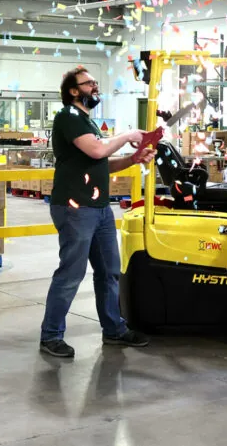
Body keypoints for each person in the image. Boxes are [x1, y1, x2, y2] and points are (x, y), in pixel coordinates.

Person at [39, 67, 156, 358]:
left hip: (100, 209)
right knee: (71, 273)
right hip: (75, 208)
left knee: (108, 272)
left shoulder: (89, 123)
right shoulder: (68, 116)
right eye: (88, 83)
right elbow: (97, 151)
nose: (95, 87)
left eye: (95, 82)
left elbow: (102, 162)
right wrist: (128, 134)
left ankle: (113, 329)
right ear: (73, 91)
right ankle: (51, 335)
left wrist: (133, 158)